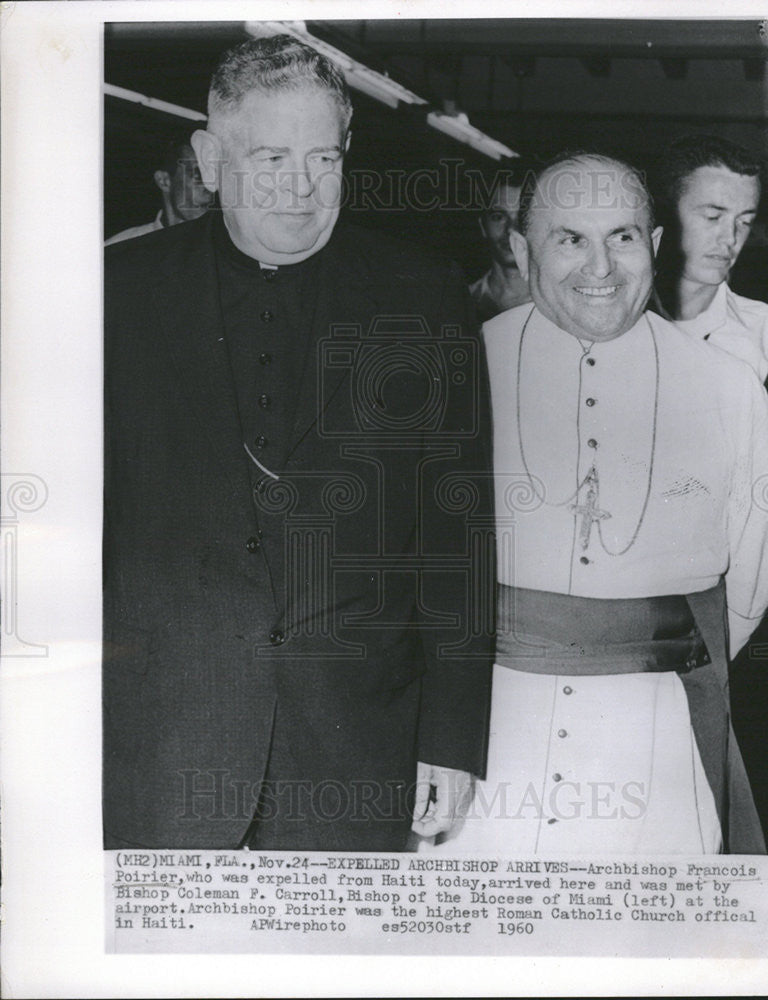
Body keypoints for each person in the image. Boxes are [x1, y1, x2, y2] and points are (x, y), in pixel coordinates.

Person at [104, 36, 494, 851]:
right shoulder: (115, 297)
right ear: (209, 160)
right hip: (156, 738)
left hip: (354, 746)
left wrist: (452, 740)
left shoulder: (421, 297)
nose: (302, 186)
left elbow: (455, 531)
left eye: (325, 156)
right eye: (271, 156)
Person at [445, 152, 768, 855]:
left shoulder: (729, 389)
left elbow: (748, 584)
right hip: (482, 725)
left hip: (654, 729)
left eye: (622, 237)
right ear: (516, 246)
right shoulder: (456, 367)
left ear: (654, 244)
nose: (599, 268)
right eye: (568, 238)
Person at [651, 134, 768, 383]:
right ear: (666, 215)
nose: (730, 238)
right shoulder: (615, 319)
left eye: (745, 222)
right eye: (712, 216)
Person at [105, 132, 213, 245]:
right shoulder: (121, 248)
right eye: (198, 175)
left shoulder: (224, 247)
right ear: (164, 181)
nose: (210, 188)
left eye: (214, 177)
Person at [469, 173, 532, 322]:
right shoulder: (463, 301)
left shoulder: (558, 303)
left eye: (522, 218)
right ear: (483, 226)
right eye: (498, 217)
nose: (511, 229)